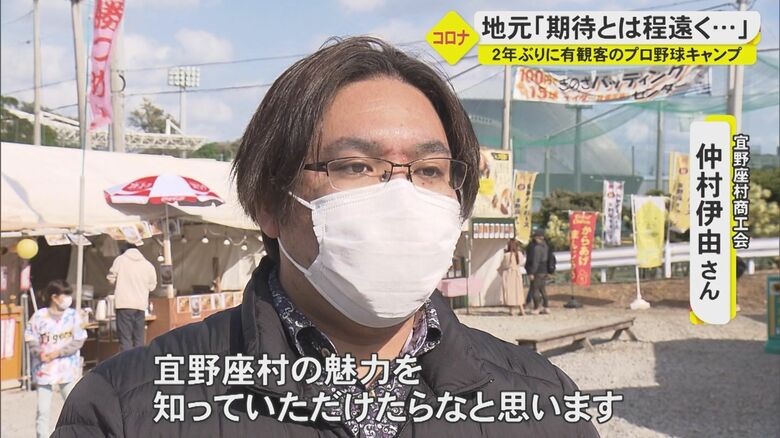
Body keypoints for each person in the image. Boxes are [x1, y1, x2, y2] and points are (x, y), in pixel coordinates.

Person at [55, 37, 598, 437]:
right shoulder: (126, 409)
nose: (402, 195)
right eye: (356, 166)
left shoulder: (544, 403)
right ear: (270, 203)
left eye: (430, 171)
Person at [24, 280, 86, 438]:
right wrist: (39, 352)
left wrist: (58, 353)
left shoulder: (73, 316)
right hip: (44, 370)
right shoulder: (39, 316)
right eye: (65, 295)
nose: (68, 298)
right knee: (43, 410)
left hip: (67, 370)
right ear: (54, 297)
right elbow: (30, 337)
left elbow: (79, 339)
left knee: (75, 407)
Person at [106, 243, 157, 351]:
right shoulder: (148, 265)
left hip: (124, 304)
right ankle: (140, 359)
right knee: (139, 337)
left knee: (125, 338)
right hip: (141, 305)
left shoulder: (120, 260)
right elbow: (152, 286)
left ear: (124, 250)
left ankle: (127, 360)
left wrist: (119, 283)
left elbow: (111, 279)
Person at [525, 229, 552, 315]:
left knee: (535, 289)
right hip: (544, 270)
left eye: (536, 237)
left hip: (538, 271)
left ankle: (536, 308)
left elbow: (535, 262)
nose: (535, 238)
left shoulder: (537, 248)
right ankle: (546, 307)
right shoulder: (546, 246)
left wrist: (531, 272)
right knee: (543, 289)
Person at [498, 239, 525, 316]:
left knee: (510, 292)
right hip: (517, 274)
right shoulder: (519, 254)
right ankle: (522, 309)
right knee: (518, 292)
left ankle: (511, 311)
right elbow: (521, 263)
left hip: (508, 274)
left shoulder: (506, 255)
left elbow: (503, 265)